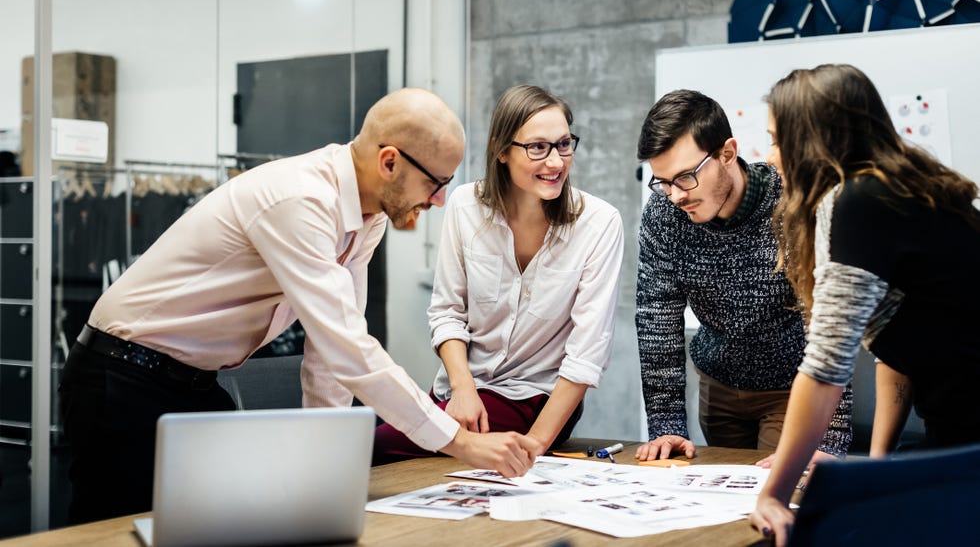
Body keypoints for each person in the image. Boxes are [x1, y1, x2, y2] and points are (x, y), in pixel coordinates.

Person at [58, 88, 537, 524]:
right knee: (110, 532)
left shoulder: (367, 219)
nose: (439, 200)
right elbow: (348, 345)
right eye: (435, 183)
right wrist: (460, 441)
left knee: (224, 526)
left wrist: (322, 461)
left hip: (191, 383)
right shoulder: (301, 199)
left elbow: (330, 354)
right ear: (389, 162)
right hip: (120, 375)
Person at [750, 64, 980, 545]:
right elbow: (904, 342)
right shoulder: (908, 187)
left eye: (777, 139)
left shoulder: (858, 201)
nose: (771, 157)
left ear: (810, 139)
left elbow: (825, 368)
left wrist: (774, 493)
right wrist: (879, 466)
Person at [373, 84, 624, 463]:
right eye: (538, 147)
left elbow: (586, 354)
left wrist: (536, 445)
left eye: (564, 144)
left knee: (372, 446)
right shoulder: (464, 207)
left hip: (535, 400)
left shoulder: (599, 223)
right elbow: (447, 312)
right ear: (502, 150)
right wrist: (463, 390)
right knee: (374, 437)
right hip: (460, 392)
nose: (555, 162)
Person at [633, 89, 852, 463]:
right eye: (663, 181)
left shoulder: (791, 205)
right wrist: (666, 423)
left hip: (792, 388)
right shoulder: (664, 214)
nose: (674, 196)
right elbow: (657, 316)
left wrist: (828, 440)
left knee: (779, 496)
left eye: (685, 177)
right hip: (717, 386)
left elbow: (828, 323)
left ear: (727, 153)